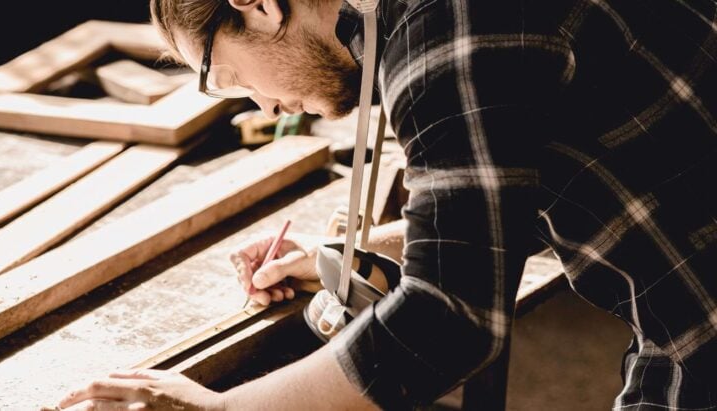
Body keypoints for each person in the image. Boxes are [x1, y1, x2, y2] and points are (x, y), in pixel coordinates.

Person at [58, 0, 717, 408]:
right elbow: (504, 191)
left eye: (230, 80)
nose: (263, 107)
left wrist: (219, 409)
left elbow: (448, 318)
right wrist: (362, 249)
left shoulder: (446, 30)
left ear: (258, 5)